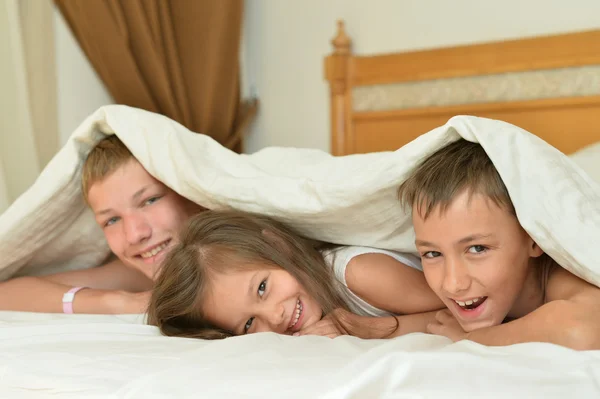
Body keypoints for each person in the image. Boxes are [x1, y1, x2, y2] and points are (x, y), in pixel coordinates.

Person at [397, 139, 600, 350]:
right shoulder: (481, 294)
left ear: (534, 239)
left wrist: (475, 338)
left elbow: (581, 330)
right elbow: (363, 270)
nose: (453, 284)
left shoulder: (561, 275)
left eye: (477, 248)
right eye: (432, 253)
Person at [147, 210, 444, 339]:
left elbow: (467, 310)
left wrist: (372, 330)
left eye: (262, 288)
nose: (274, 317)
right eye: (249, 323)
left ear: (280, 247)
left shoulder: (358, 273)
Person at [0, 135, 203, 314]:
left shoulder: (228, 250)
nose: (134, 234)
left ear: (190, 194)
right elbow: (6, 294)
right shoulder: (141, 272)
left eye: (150, 200)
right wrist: (118, 302)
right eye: (111, 220)